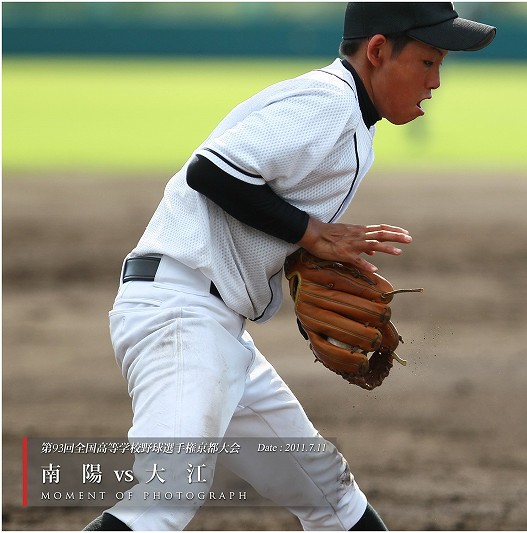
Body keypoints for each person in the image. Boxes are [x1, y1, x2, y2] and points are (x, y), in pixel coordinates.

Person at [83, 3, 495, 531]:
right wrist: (312, 233)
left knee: (333, 499)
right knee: (165, 499)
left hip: (217, 325)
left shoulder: (346, 114)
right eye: (427, 62)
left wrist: (307, 253)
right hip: (182, 316)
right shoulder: (327, 103)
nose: (436, 82)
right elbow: (209, 172)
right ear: (377, 51)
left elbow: (255, 203)